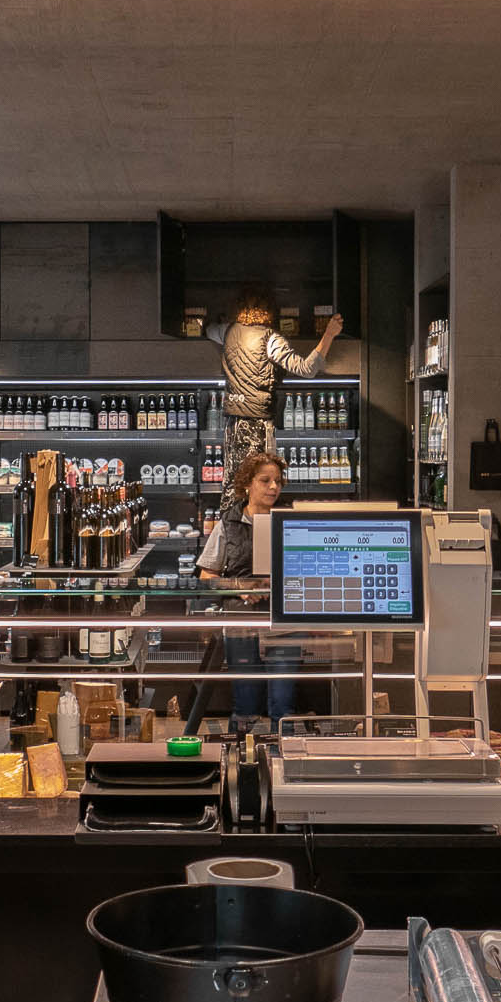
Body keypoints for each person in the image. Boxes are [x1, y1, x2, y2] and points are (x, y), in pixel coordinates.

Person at [197, 452, 300, 727]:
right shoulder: (228, 524)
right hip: (242, 624)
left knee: (283, 707)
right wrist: (239, 587)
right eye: (265, 480)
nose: (273, 487)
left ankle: (283, 759)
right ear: (247, 484)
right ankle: (243, 760)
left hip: (283, 624)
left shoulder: (291, 521)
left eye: (278, 481)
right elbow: (207, 575)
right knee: (245, 707)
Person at [206, 293, 342, 496]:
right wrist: (329, 334)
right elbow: (306, 369)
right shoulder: (270, 339)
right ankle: (258, 526)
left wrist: (220, 320)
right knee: (261, 486)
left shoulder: (227, 331)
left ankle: (234, 526)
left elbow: (208, 330)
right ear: (270, 313)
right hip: (258, 423)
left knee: (234, 486)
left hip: (233, 423)